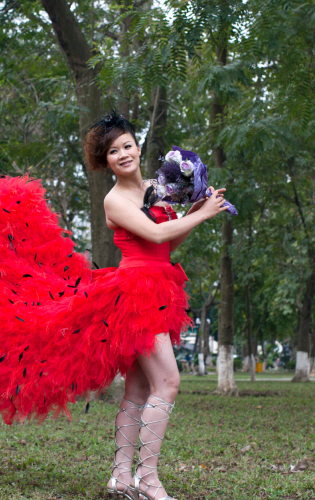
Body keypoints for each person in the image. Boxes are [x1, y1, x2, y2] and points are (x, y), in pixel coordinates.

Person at [87, 112, 227, 500]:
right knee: (168, 382)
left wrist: (198, 209)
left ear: (138, 145)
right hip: (135, 294)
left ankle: (121, 476)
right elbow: (155, 231)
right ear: (106, 161)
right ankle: (147, 479)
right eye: (112, 151)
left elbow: (166, 245)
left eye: (127, 145)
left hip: (160, 288)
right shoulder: (114, 200)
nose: (123, 154)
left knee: (137, 388)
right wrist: (201, 216)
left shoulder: (155, 186)